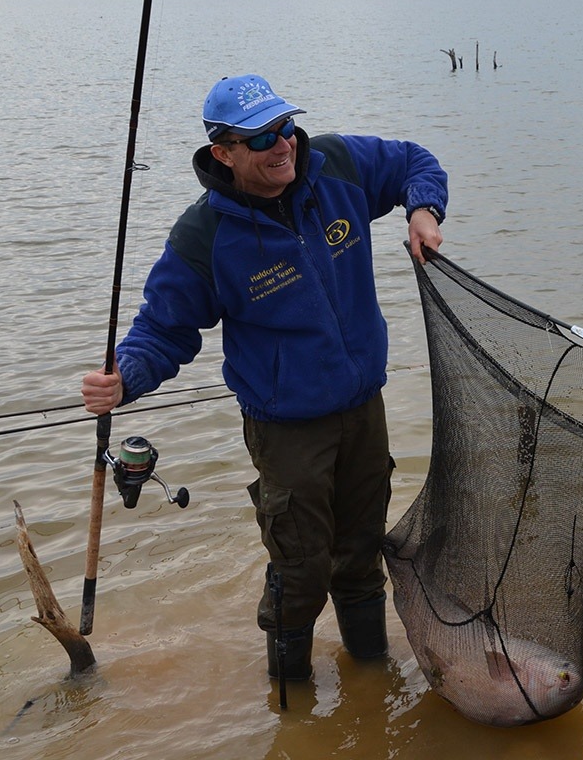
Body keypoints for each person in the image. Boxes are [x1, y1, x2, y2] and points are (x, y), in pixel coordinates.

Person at [81, 74, 449, 683]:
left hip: (363, 409)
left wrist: (422, 208)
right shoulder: (204, 236)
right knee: (300, 570)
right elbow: (164, 330)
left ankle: (371, 678)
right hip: (286, 429)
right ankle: (290, 700)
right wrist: (125, 379)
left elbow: (414, 160)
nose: (283, 146)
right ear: (222, 153)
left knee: (361, 557)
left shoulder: (336, 165)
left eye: (286, 128)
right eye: (261, 139)